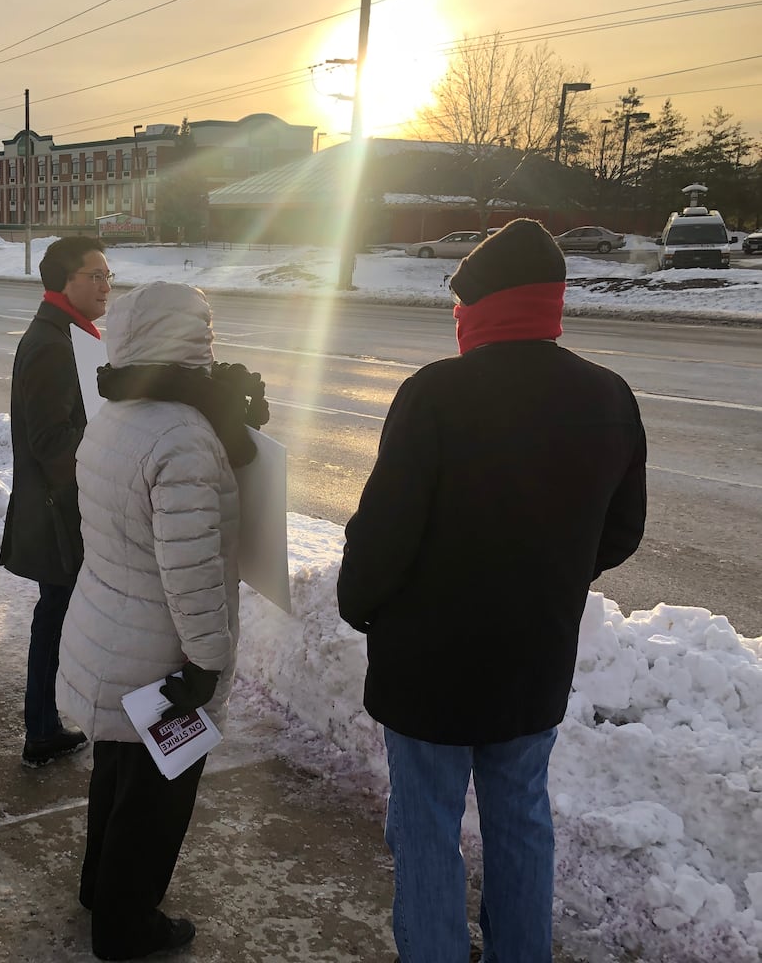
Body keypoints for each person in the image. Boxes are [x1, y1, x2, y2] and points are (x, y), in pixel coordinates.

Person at [336, 219, 647, 963]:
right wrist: (551, 575)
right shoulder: (607, 394)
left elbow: (386, 530)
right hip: (532, 659)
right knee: (519, 818)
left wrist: (360, 603)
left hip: (429, 665)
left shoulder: (437, 394)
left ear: (478, 309)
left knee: (426, 828)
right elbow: (622, 530)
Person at [57, 281, 268, 961]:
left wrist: (233, 420)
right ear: (191, 342)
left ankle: (99, 889)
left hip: (110, 626)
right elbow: (192, 570)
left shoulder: (118, 413)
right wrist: (207, 661)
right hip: (161, 655)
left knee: (116, 774)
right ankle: (126, 926)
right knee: (156, 800)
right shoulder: (182, 438)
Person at [0, 237, 113, 768]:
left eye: (108, 275)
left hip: (63, 505)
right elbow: (51, 442)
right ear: (65, 282)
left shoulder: (69, 334)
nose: (106, 285)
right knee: (55, 613)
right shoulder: (52, 343)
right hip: (57, 510)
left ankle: (44, 722)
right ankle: (40, 727)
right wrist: (107, 449)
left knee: (58, 613)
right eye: (96, 275)